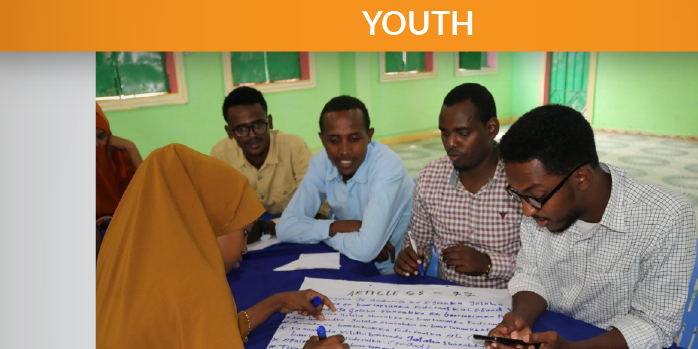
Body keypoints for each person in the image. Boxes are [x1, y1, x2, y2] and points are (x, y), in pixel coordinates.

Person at [97, 144, 349, 349]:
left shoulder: (131, 267)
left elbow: (183, 340)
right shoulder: (195, 285)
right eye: (243, 232)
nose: (244, 248)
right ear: (206, 224)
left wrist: (276, 302)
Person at [485, 104, 695, 349]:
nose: (527, 210)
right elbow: (531, 274)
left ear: (581, 178)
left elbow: (655, 325)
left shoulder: (665, 216)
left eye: (535, 196)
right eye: (519, 195)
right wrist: (520, 320)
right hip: (553, 338)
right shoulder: (541, 207)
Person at [394, 83, 521, 288]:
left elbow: (541, 267)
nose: (451, 143)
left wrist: (489, 264)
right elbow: (419, 244)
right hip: (449, 301)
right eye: (445, 133)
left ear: (491, 128)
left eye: (462, 133)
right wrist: (411, 259)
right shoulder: (430, 178)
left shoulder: (520, 180)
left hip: (510, 300)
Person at [276, 96, 413, 274]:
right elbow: (284, 228)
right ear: (322, 139)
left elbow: (365, 250)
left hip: (393, 270)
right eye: (334, 140)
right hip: (346, 260)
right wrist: (339, 227)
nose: (345, 151)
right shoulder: (321, 161)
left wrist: (327, 231)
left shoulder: (387, 166)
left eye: (354, 138)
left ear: (369, 135)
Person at [210, 86, 313, 240]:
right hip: (248, 240)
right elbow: (219, 212)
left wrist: (268, 227)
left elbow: (312, 203)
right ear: (229, 131)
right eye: (241, 129)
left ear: (269, 122)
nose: (252, 135)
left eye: (258, 125)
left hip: (295, 233)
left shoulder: (294, 148)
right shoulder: (220, 156)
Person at [96, 104, 143, 219]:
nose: (96, 144)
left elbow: (150, 193)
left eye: (101, 136)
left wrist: (131, 148)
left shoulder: (119, 159)